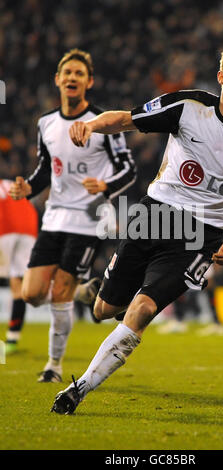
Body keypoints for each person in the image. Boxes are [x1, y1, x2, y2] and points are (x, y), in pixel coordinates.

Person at [50, 42, 223, 414]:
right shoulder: (189, 107)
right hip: (153, 215)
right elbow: (126, 119)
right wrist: (92, 124)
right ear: (222, 77)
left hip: (200, 237)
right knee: (103, 309)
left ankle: (79, 389)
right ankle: (97, 293)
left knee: (142, 309)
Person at [9, 49, 136, 382]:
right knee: (32, 293)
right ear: (57, 80)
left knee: (59, 292)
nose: (72, 78)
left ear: (88, 82)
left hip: (88, 218)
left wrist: (105, 185)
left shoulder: (103, 123)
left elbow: (128, 169)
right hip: (54, 218)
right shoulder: (45, 123)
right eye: (67, 73)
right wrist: (28, 189)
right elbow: (44, 170)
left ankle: (53, 366)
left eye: (79, 73)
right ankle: (84, 291)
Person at [0, 179, 38, 354]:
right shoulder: (9, 184)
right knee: (19, 284)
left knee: (18, 283)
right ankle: (12, 338)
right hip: (29, 228)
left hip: (4, 228)